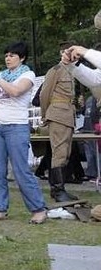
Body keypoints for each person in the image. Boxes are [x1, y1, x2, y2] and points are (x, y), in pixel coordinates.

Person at [0, 41, 48, 224]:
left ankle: (38, 209)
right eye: (6, 55)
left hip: (17, 127)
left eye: (12, 55)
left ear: (22, 58)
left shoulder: (28, 74)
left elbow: (14, 91)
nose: (8, 58)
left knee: (21, 170)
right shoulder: (2, 76)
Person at [39, 48, 79, 202]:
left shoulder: (71, 71)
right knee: (60, 152)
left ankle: (59, 189)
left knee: (65, 153)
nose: (69, 56)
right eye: (66, 52)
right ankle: (58, 190)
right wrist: (45, 114)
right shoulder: (55, 70)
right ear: (62, 53)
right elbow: (45, 94)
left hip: (67, 115)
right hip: (58, 114)